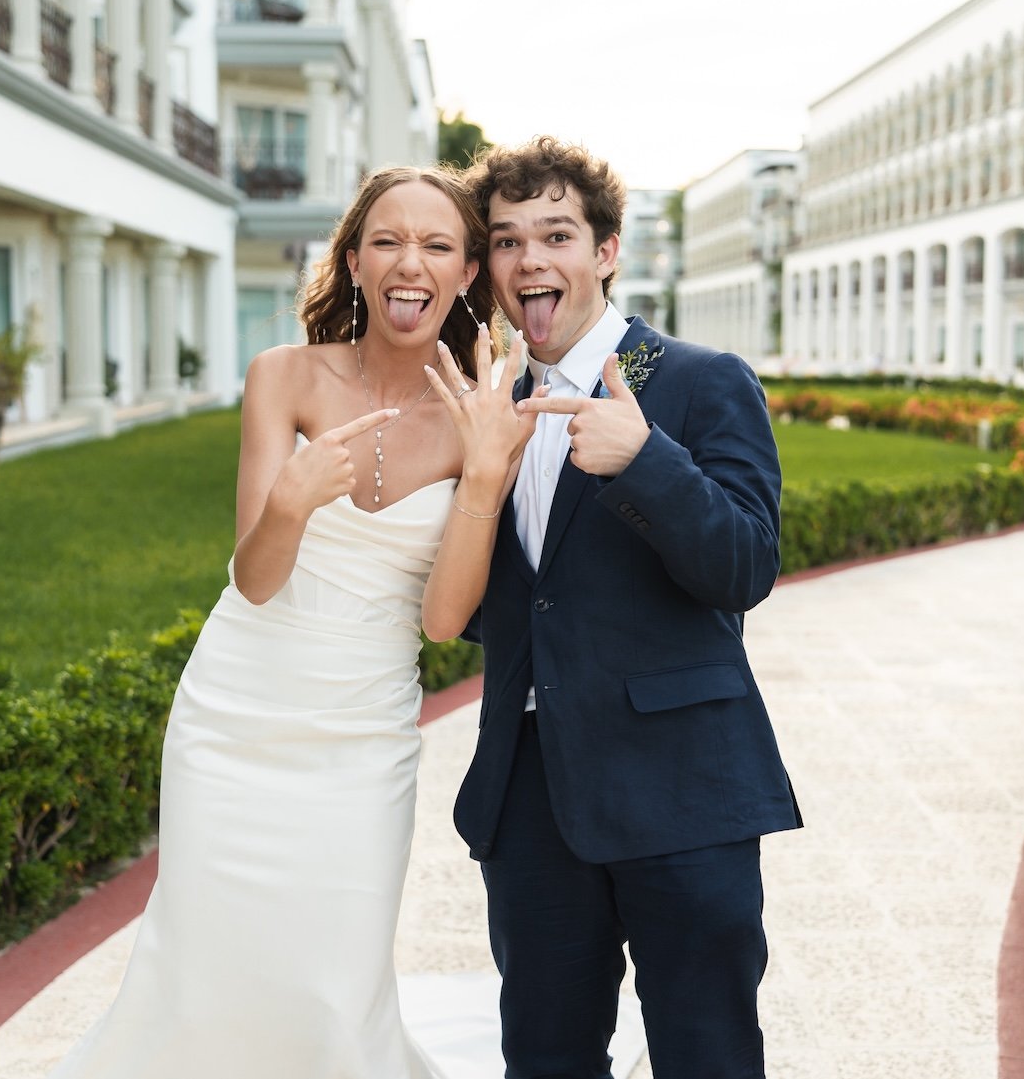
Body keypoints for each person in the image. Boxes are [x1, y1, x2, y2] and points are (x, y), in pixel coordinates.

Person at [49, 165, 533, 1079]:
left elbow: (440, 624)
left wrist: (480, 476)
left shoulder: (486, 407)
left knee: (335, 967)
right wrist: (291, 504)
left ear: (468, 273)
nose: (410, 263)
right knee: (208, 957)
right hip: (237, 711)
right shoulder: (282, 376)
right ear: (353, 261)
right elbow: (256, 579)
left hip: (363, 724)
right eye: (387, 240)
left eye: (437, 245)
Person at [453, 136, 801, 1078]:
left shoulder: (697, 380)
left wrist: (647, 461)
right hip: (531, 797)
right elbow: (507, 604)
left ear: (605, 251)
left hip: (681, 790)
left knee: (707, 1055)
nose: (531, 259)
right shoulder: (492, 410)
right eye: (506, 240)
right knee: (544, 1058)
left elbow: (746, 567)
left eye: (556, 234)